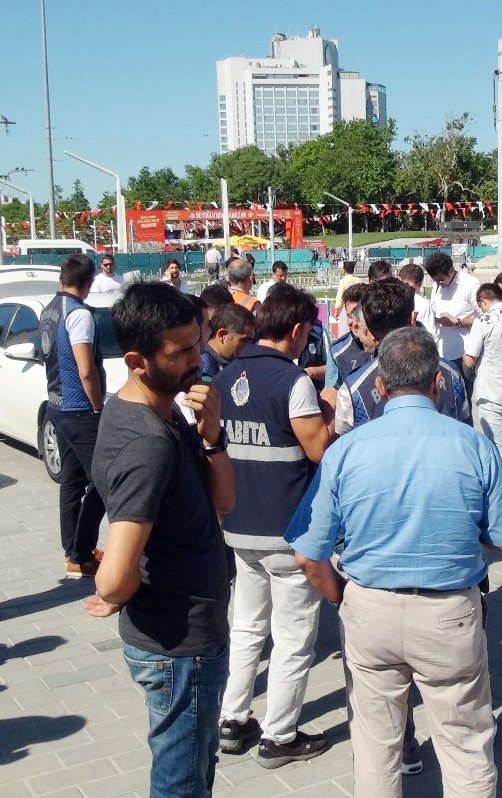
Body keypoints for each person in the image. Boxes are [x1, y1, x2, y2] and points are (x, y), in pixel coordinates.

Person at [289, 327, 502, 798]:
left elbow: (307, 554)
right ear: (437, 384)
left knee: (376, 748)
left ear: (379, 386)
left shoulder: (345, 451)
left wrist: (344, 598)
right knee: (465, 746)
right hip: (449, 611)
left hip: (368, 607)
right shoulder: (472, 444)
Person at [85, 282, 235, 797]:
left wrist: (212, 433)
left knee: (193, 772)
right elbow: (113, 575)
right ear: (137, 360)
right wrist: (115, 590)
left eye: (199, 343)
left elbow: (224, 502)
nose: (199, 359)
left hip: (192, 636)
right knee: (181, 785)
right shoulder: (146, 442)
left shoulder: (165, 412)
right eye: (182, 351)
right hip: (179, 647)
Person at [213, 283, 335, 769]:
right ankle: (280, 735)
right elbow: (319, 450)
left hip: (239, 528)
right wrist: (327, 411)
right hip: (288, 533)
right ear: (298, 329)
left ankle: (233, 718)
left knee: (246, 627)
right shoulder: (294, 382)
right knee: (292, 638)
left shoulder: (225, 378)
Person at [39, 255, 106, 578]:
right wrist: (97, 406)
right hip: (79, 408)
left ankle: (73, 551)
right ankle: (81, 553)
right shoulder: (79, 315)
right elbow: (85, 369)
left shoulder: (50, 308)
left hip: (57, 405)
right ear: (88, 283)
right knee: (103, 480)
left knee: (72, 480)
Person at [335, 279, 468, 434]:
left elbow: (345, 443)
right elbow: (465, 426)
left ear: (368, 327)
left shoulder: (352, 389)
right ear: (412, 318)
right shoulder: (452, 374)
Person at [463, 282, 502, 484]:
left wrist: (467, 373)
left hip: (491, 391)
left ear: (484, 300)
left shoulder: (484, 320)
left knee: (499, 446)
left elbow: (470, 358)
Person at [426, 252, 479, 388]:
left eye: (441, 280)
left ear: (451, 270)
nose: (439, 284)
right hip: (442, 352)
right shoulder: (437, 286)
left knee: (466, 397)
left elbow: (485, 319)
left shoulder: (470, 285)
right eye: (435, 281)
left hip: (465, 354)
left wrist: (458, 321)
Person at [325, 282, 371, 390]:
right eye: (350, 316)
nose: (354, 322)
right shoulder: (337, 351)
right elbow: (329, 392)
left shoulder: (385, 344)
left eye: (357, 315)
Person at [200, 302, 255, 380]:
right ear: (222, 336)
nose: (249, 346)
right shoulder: (204, 369)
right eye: (245, 340)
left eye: (251, 341)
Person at [397, 262, 438, 343]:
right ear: (420, 284)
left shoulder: (389, 297)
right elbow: (431, 335)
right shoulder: (423, 304)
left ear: (398, 278)